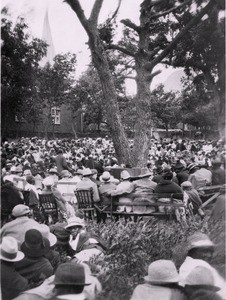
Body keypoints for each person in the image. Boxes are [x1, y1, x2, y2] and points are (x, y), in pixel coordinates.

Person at [179, 232, 226, 299]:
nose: (209, 255)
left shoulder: (186, 265)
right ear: (192, 251)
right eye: (205, 251)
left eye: (211, 252)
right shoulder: (200, 264)